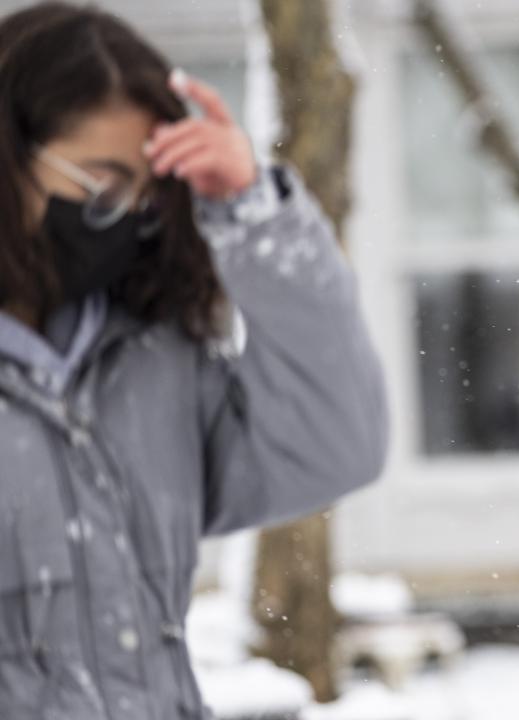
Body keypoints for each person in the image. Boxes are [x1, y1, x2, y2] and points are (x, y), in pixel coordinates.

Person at [0, 4, 387, 718]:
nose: (128, 216)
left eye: (148, 194)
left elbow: (335, 447)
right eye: (101, 183)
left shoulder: (156, 358)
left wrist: (251, 213)